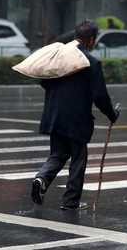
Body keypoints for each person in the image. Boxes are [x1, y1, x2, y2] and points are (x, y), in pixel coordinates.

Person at [31, 20, 120, 210]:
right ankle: (70, 201)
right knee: (78, 158)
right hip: (76, 119)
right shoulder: (91, 62)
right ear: (92, 39)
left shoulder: (57, 59)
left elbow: (44, 83)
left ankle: (41, 178)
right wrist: (112, 114)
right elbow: (100, 96)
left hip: (54, 115)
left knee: (58, 153)